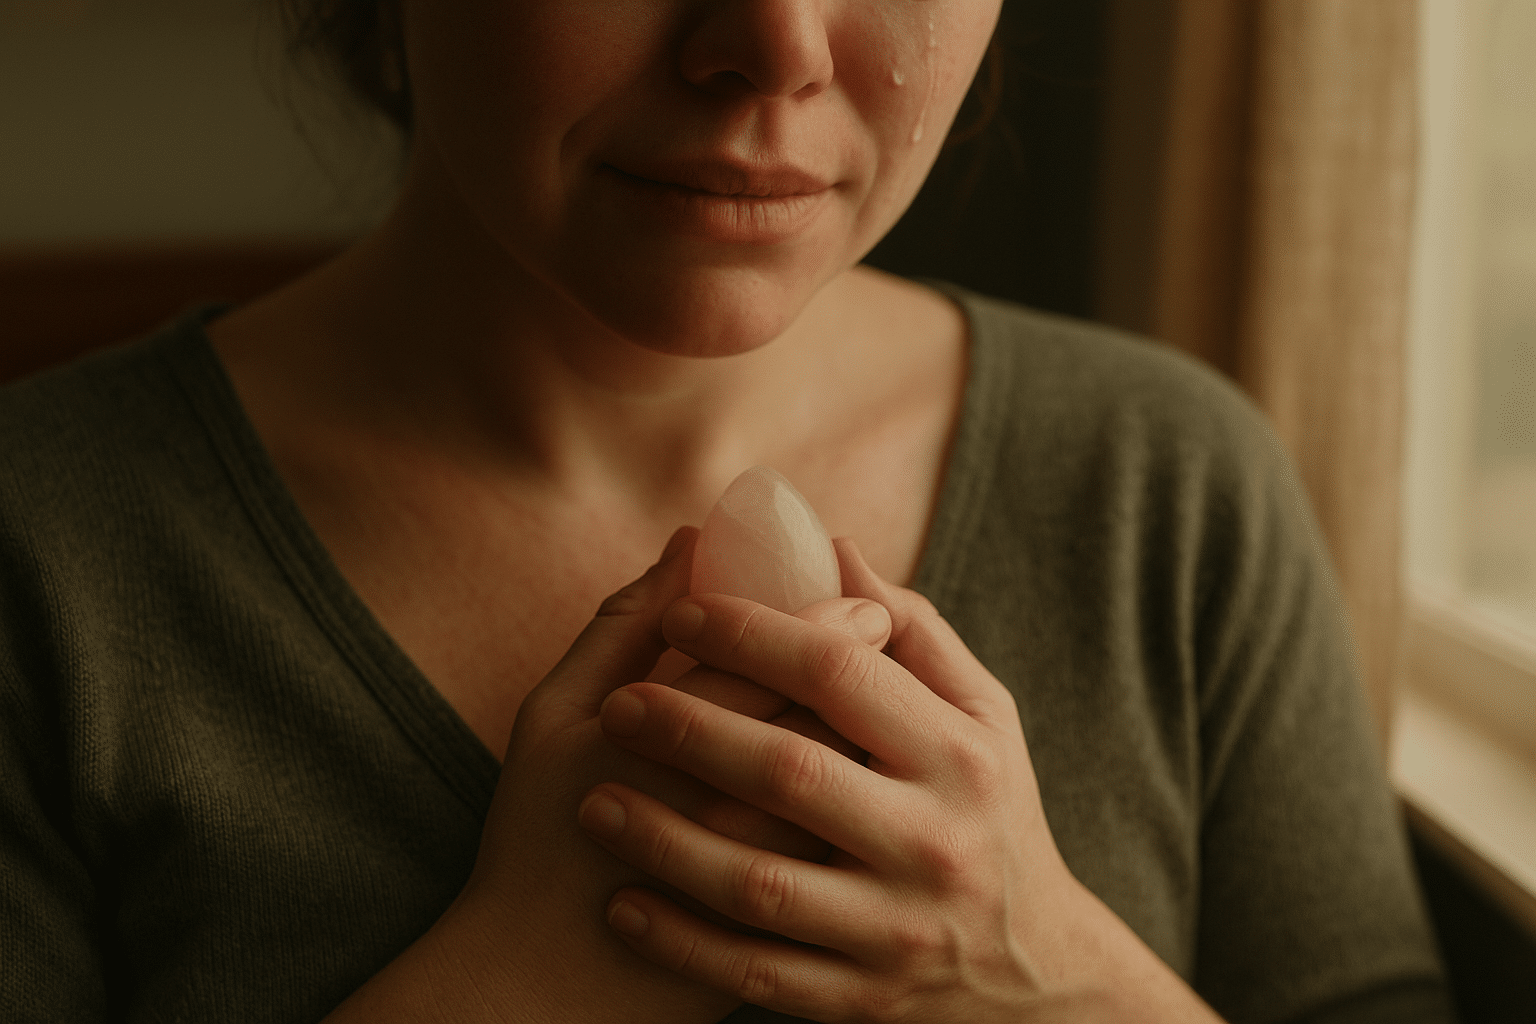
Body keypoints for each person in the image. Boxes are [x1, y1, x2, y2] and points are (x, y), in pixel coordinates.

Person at [0, 1, 1456, 1022]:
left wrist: (1051, 977)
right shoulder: (45, 544)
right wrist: (520, 984)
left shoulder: (1172, 484)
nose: (774, 42)